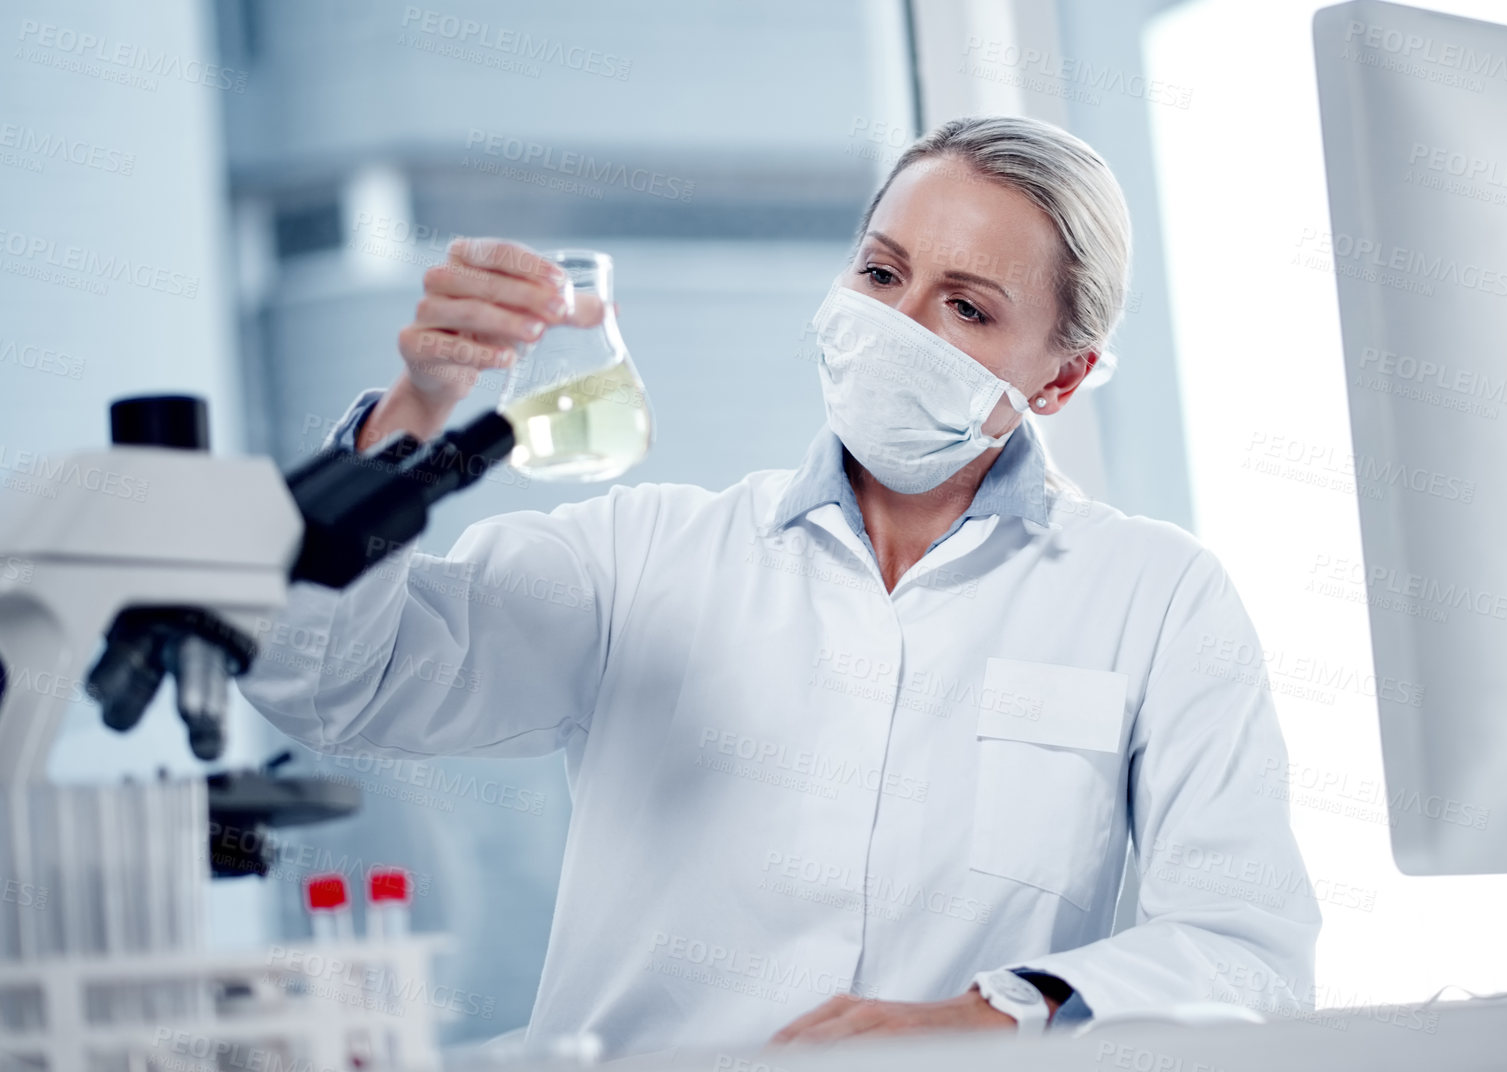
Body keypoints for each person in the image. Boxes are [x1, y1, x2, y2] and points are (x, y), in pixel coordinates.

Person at [238, 114, 1319, 1058]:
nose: (897, 324)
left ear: (1062, 374)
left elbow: (1244, 952)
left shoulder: (1155, 594)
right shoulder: (643, 556)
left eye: (967, 309)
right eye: (881, 273)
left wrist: (981, 1021)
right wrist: (414, 415)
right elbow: (328, 683)